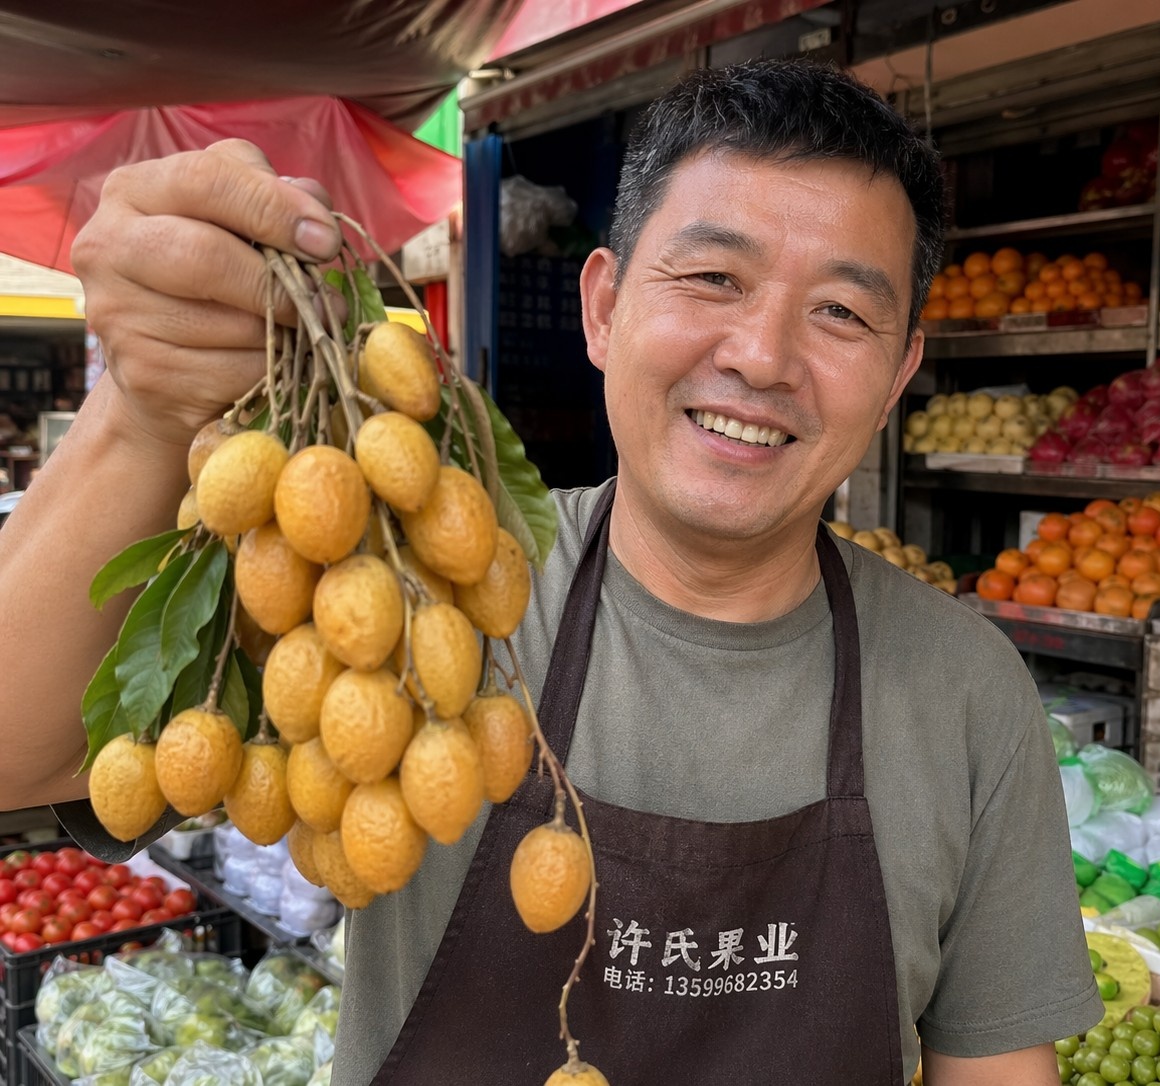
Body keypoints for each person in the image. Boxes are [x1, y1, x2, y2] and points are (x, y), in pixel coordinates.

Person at [0, 59, 1098, 1082]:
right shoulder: (400, 585)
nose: (762, 358)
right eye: (713, 276)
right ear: (603, 306)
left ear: (901, 367)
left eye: (841, 313)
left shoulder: (965, 692)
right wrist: (140, 417)